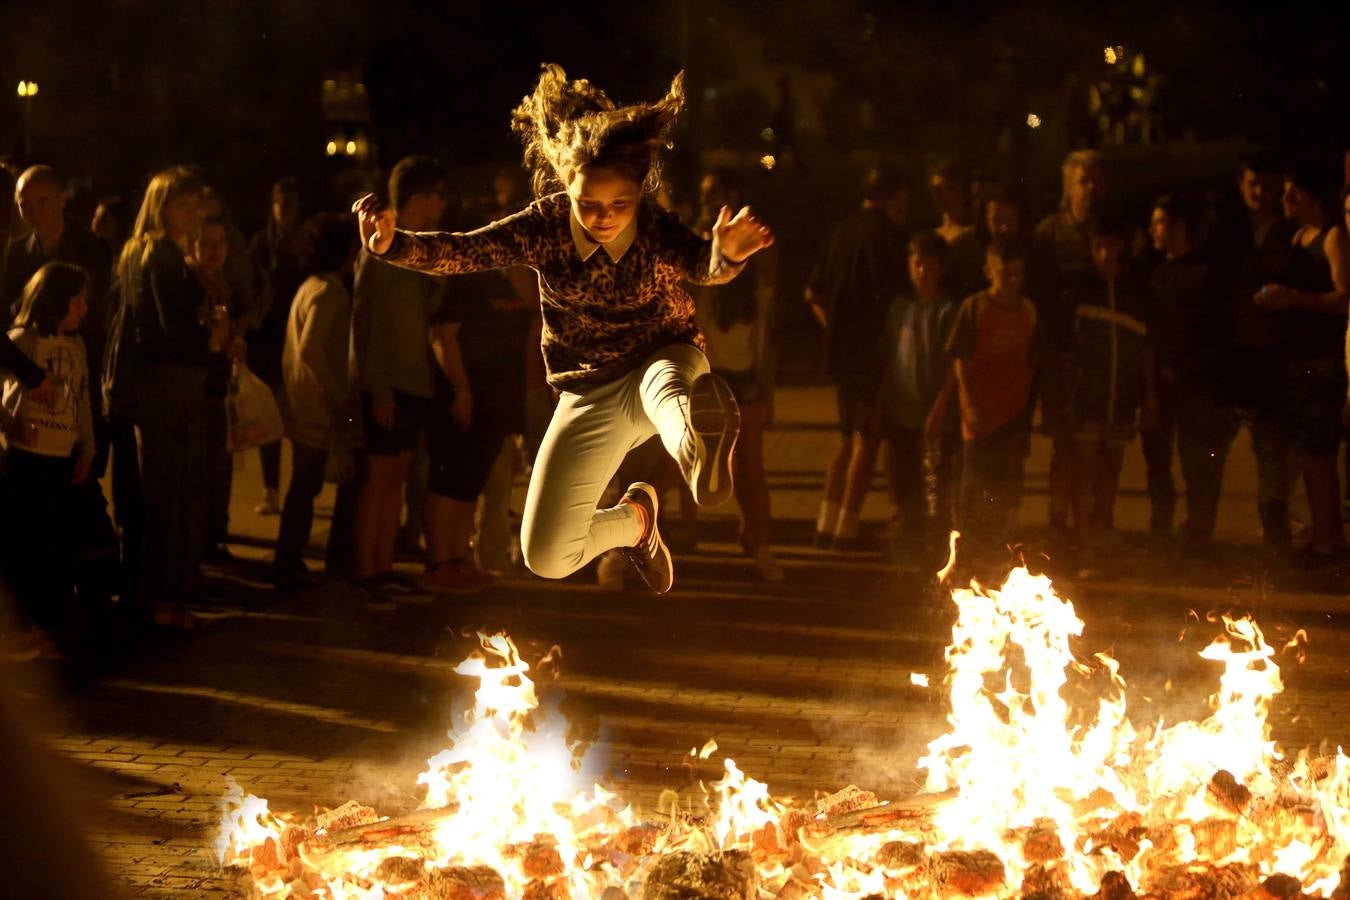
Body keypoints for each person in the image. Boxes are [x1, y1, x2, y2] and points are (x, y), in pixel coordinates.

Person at [352, 64, 772, 594]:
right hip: (588, 392)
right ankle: (638, 521)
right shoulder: (544, 226)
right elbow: (462, 251)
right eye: (588, 204)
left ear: (638, 194)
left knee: (668, 390)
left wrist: (725, 255)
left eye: (619, 205)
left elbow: (699, 264)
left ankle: (699, 450)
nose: (603, 217)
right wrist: (393, 245)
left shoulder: (654, 226)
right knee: (547, 554)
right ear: (565, 186)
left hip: (662, 358)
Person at [351, 155, 453, 604]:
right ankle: (367, 570)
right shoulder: (379, 248)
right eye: (438, 195)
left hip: (413, 380)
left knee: (396, 477)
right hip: (389, 381)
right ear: (418, 198)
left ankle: (384, 565)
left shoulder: (410, 248)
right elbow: (366, 322)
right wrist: (378, 386)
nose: (444, 204)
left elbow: (423, 313)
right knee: (379, 477)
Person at [113, 167, 210, 628]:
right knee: (168, 490)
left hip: (149, 383)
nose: (192, 213)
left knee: (153, 490)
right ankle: (164, 600)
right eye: (184, 204)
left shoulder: (137, 252)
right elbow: (172, 328)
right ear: (162, 205)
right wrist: (207, 332)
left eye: (195, 204)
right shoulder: (164, 255)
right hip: (170, 382)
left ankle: (147, 591)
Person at [805, 164, 910, 550]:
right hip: (873, 352)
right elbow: (895, 304)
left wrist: (835, 328)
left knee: (848, 439)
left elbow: (812, 294)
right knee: (868, 439)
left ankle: (825, 523)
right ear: (894, 194)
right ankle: (846, 528)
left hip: (841, 352)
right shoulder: (889, 238)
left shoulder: (842, 231)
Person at [0, 262, 96, 656]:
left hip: (60, 457)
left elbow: (83, 399)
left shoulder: (76, 346)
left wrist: (86, 446)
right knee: (27, 543)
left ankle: (45, 622)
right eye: (78, 301)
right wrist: (8, 425)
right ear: (55, 303)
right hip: (27, 459)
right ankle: (23, 628)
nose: (85, 309)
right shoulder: (22, 341)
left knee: (53, 543)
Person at [1256, 164, 1350, 566]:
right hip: (1298, 357)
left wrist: (1294, 297)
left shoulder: (1333, 237)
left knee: (1318, 452)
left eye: (1293, 193)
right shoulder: (1297, 237)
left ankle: (1328, 541)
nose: (1285, 201)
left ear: (1312, 196)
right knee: (1305, 452)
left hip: (1323, 358)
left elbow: (1343, 297)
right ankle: (1319, 534)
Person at [928, 238, 1040, 567]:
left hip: (1013, 417)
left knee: (1008, 491)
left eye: (1017, 274)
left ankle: (1000, 555)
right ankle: (965, 556)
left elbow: (1033, 361)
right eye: (1004, 274)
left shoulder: (1028, 311)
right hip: (978, 419)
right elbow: (958, 358)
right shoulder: (975, 307)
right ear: (988, 272)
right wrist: (967, 404)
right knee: (974, 489)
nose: (1011, 281)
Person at [694, 169, 782, 580]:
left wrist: (767, 391)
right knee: (691, 464)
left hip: (734, 378)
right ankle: (758, 545)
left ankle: (761, 544)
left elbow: (765, 339)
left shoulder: (754, 273)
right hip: (711, 378)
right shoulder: (699, 266)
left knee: (750, 468)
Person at [1063, 220, 1157, 576]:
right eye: (1099, 247)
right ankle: (1084, 542)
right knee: (1085, 469)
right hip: (1088, 397)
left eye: (1112, 247)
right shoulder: (1080, 293)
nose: (1106, 254)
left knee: (1110, 470)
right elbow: (1068, 353)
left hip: (1122, 398)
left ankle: (1100, 533)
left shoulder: (1136, 295)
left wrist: (1148, 397)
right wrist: (1068, 397)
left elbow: (1146, 350)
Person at [272, 213, 360, 588]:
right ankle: (329, 562)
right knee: (337, 481)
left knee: (302, 486)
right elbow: (311, 347)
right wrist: (337, 393)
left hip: (301, 401)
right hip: (320, 406)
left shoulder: (308, 286)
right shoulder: (330, 293)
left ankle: (288, 560)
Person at [1214, 155, 1297, 549]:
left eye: (1266, 184)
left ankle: (1273, 525)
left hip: (1273, 352)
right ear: (1240, 183)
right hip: (1231, 351)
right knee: (1215, 443)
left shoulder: (1288, 229)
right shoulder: (1226, 229)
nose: (1260, 192)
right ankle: (1200, 528)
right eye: (1253, 184)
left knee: (1273, 448)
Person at [1147, 195, 1233, 555]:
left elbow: (1213, 332)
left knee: (1198, 465)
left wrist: (1188, 369)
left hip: (1197, 387)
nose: (1153, 230)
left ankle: (1198, 534)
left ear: (1180, 226)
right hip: (1162, 386)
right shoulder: (1157, 274)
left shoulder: (1205, 275)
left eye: (1161, 222)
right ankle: (1161, 531)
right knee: (1159, 460)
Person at [1031, 150, 1107, 536]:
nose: (1090, 189)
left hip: (1101, 357)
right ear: (1068, 186)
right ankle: (1058, 518)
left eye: (1096, 180)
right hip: (1062, 354)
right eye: (1083, 180)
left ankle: (1095, 521)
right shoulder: (1049, 233)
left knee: (1099, 446)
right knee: (1064, 442)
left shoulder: (1111, 233)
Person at [878, 233, 959, 545]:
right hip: (901, 409)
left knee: (936, 479)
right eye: (918, 263)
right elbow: (889, 357)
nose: (923, 271)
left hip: (932, 408)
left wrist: (940, 408)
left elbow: (953, 366)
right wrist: (880, 404)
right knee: (901, 474)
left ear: (942, 269)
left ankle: (935, 540)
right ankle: (907, 530)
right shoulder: (900, 308)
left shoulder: (946, 310)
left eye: (931, 265)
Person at [189, 214, 245, 563]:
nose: (215, 250)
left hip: (218, 382)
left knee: (220, 463)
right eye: (207, 243)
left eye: (220, 242)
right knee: (205, 466)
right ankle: (203, 546)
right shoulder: (192, 282)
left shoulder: (220, 282)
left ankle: (214, 540)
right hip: (200, 386)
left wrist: (234, 340)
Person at [247, 177, 304, 516]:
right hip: (267, 341)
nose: (284, 209)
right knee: (269, 419)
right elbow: (251, 286)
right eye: (279, 202)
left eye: (290, 203)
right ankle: (271, 488)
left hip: (294, 339)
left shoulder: (303, 245)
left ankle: (298, 486)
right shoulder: (261, 246)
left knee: (296, 421)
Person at [929, 159, 985, 300]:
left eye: (948, 188)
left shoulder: (975, 234)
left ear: (962, 189)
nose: (940, 196)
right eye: (936, 189)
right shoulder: (934, 234)